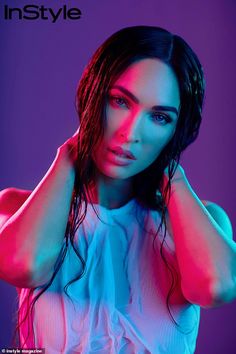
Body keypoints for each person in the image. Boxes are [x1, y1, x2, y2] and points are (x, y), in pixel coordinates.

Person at [0, 26, 235, 353]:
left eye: (159, 117)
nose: (130, 133)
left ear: (176, 131)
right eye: (120, 101)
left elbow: (215, 287)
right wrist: (68, 155)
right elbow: (23, 265)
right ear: (92, 95)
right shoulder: (15, 207)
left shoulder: (205, 221)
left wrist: (173, 174)